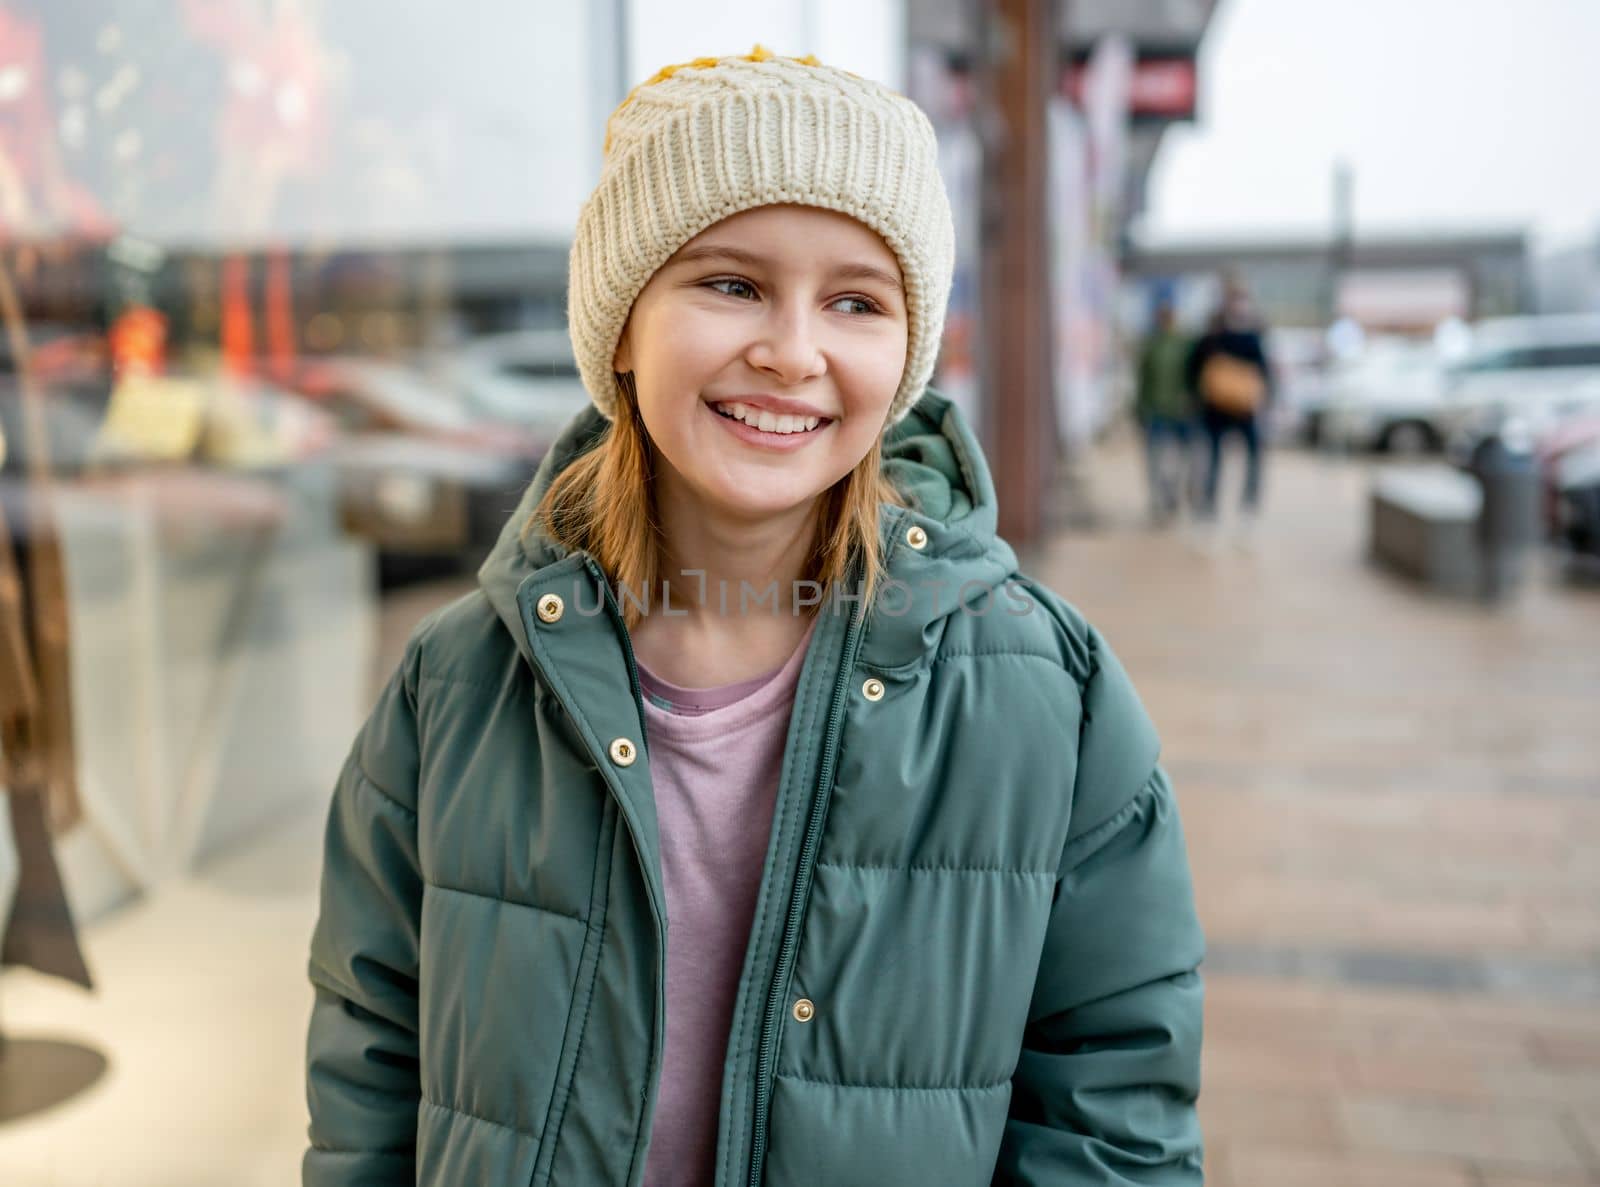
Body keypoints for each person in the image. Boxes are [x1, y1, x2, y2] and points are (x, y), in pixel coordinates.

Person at [303, 47, 1204, 1187]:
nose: (791, 349)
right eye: (729, 283)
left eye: (856, 301)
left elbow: (1114, 1104)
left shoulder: (1046, 692)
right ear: (623, 327)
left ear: (907, 351)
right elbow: (369, 1056)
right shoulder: (457, 683)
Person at [1187, 281, 1273, 540]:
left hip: (1244, 411)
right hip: (1215, 411)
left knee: (1252, 460)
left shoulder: (1252, 337)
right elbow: (1193, 370)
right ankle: (1209, 515)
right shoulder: (1212, 337)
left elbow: (1264, 373)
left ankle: (1246, 512)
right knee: (1213, 463)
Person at [1133, 297, 1196, 525]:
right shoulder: (1152, 344)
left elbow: (1193, 376)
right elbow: (1142, 378)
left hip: (1180, 411)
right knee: (1155, 458)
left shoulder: (1184, 344)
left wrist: (1191, 401)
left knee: (1180, 459)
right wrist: (1140, 407)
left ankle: (1173, 494)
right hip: (1156, 410)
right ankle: (1157, 500)